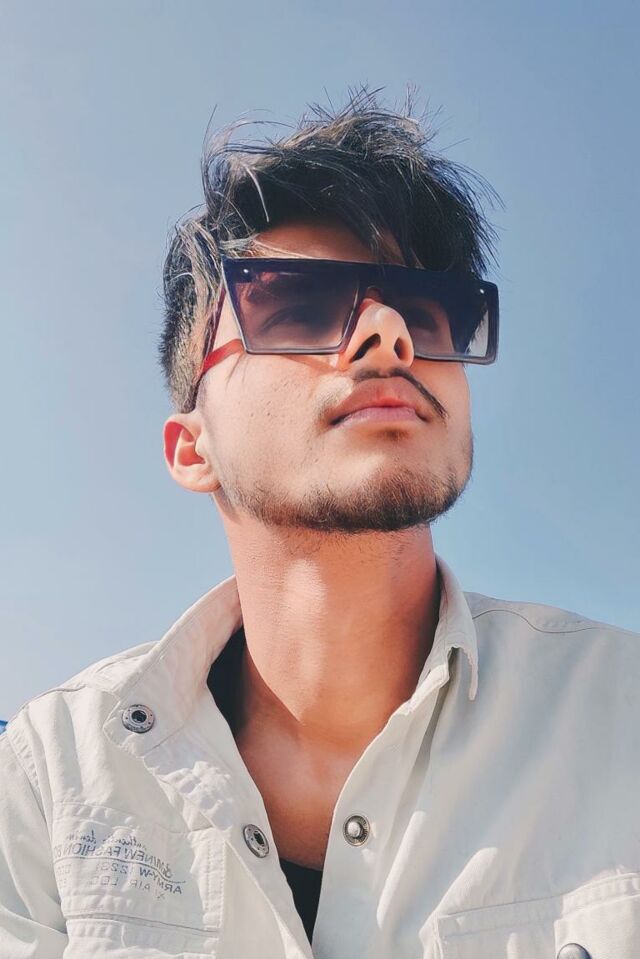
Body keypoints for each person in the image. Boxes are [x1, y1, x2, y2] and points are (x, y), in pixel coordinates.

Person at [1, 85, 638, 959]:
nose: (389, 334)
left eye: (430, 312)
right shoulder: (50, 778)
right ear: (192, 448)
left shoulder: (622, 723)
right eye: (298, 305)